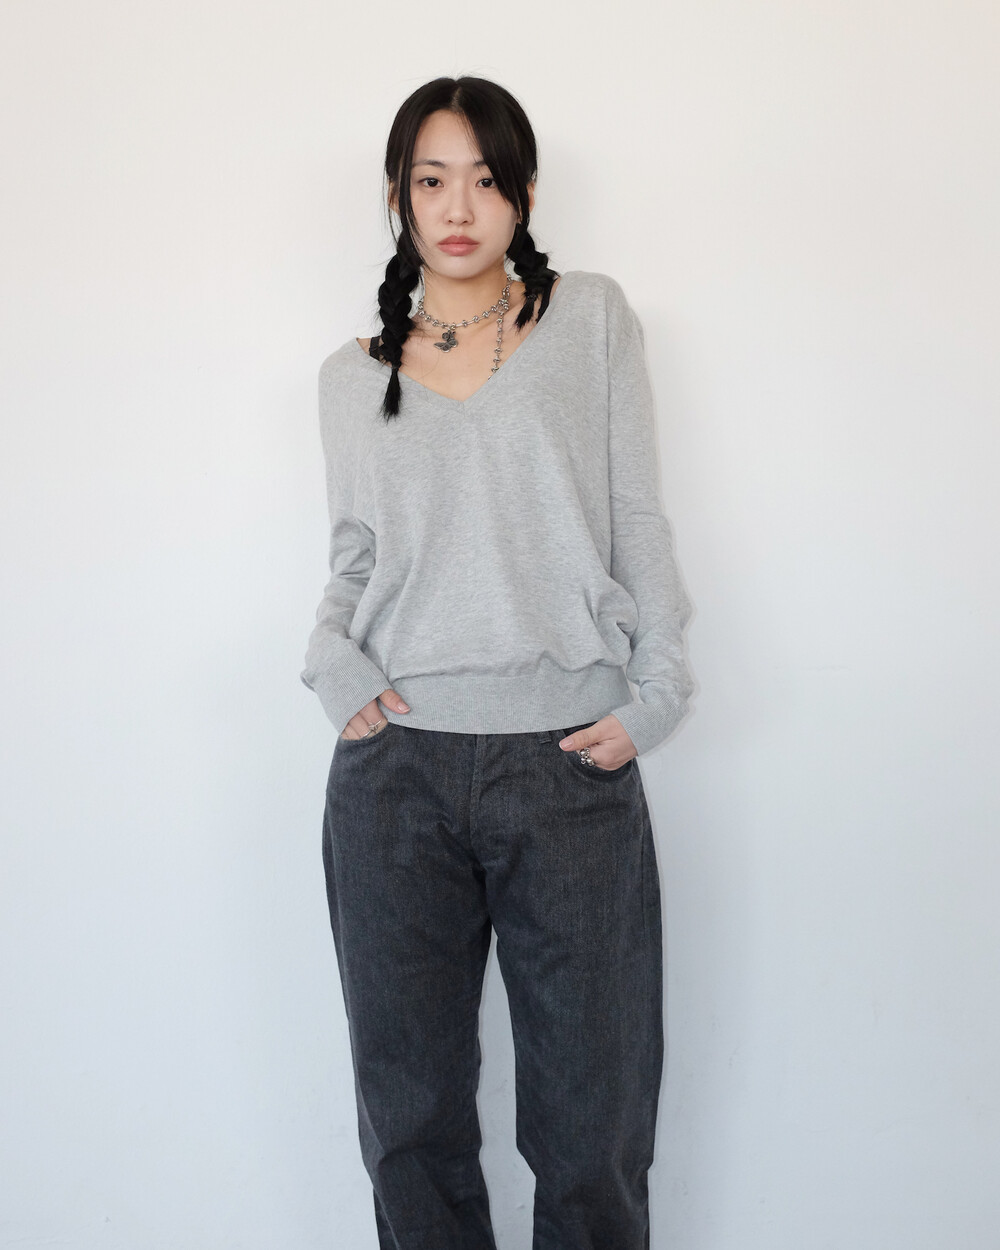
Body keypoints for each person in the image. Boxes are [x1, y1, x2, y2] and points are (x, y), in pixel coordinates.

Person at [301, 74, 694, 1250]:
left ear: (522, 191)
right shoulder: (350, 374)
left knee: (592, 1132)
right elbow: (355, 558)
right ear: (397, 196)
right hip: (394, 772)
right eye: (431, 180)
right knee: (409, 1127)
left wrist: (658, 692)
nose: (458, 207)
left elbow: (636, 515)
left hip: (568, 764)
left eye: (484, 178)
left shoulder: (590, 319)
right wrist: (330, 664)